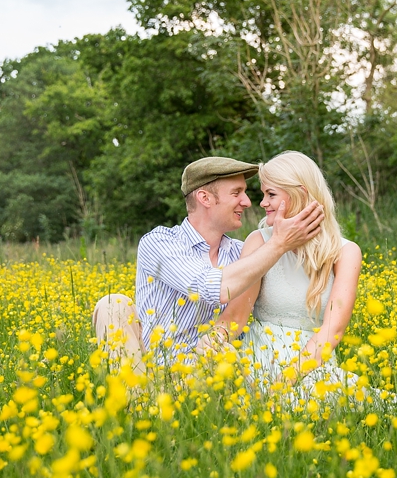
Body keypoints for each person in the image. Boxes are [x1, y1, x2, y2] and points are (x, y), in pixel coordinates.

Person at [91, 156, 324, 370]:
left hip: (209, 375)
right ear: (205, 198)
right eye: (237, 193)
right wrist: (278, 243)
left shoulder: (245, 253)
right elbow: (212, 287)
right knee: (113, 304)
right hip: (152, 369)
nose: (247, 201)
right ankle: (138, 404)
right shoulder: (159, 242)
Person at [215, 151, 364, 399]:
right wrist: (207, 352)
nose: (262, 203)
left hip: (310, 365)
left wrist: (285, 382)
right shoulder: (259, 240)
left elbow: (332, 331)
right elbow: (236, 317)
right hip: (258, 359)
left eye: (271, 194)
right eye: (263, 194)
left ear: (300, 194)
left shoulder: (346, 252)